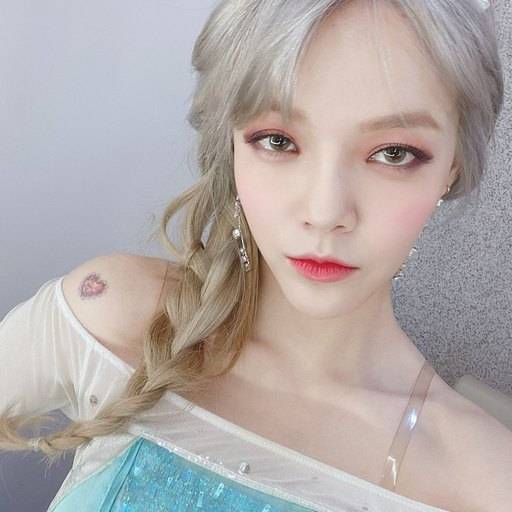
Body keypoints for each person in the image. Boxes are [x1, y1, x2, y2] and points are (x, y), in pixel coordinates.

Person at [1, 0, 510, 510]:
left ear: (452, 167)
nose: (325, 212)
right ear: (231, 144)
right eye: (278, 141)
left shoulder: (486, 481)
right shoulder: (114, 315)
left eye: (392, 153)